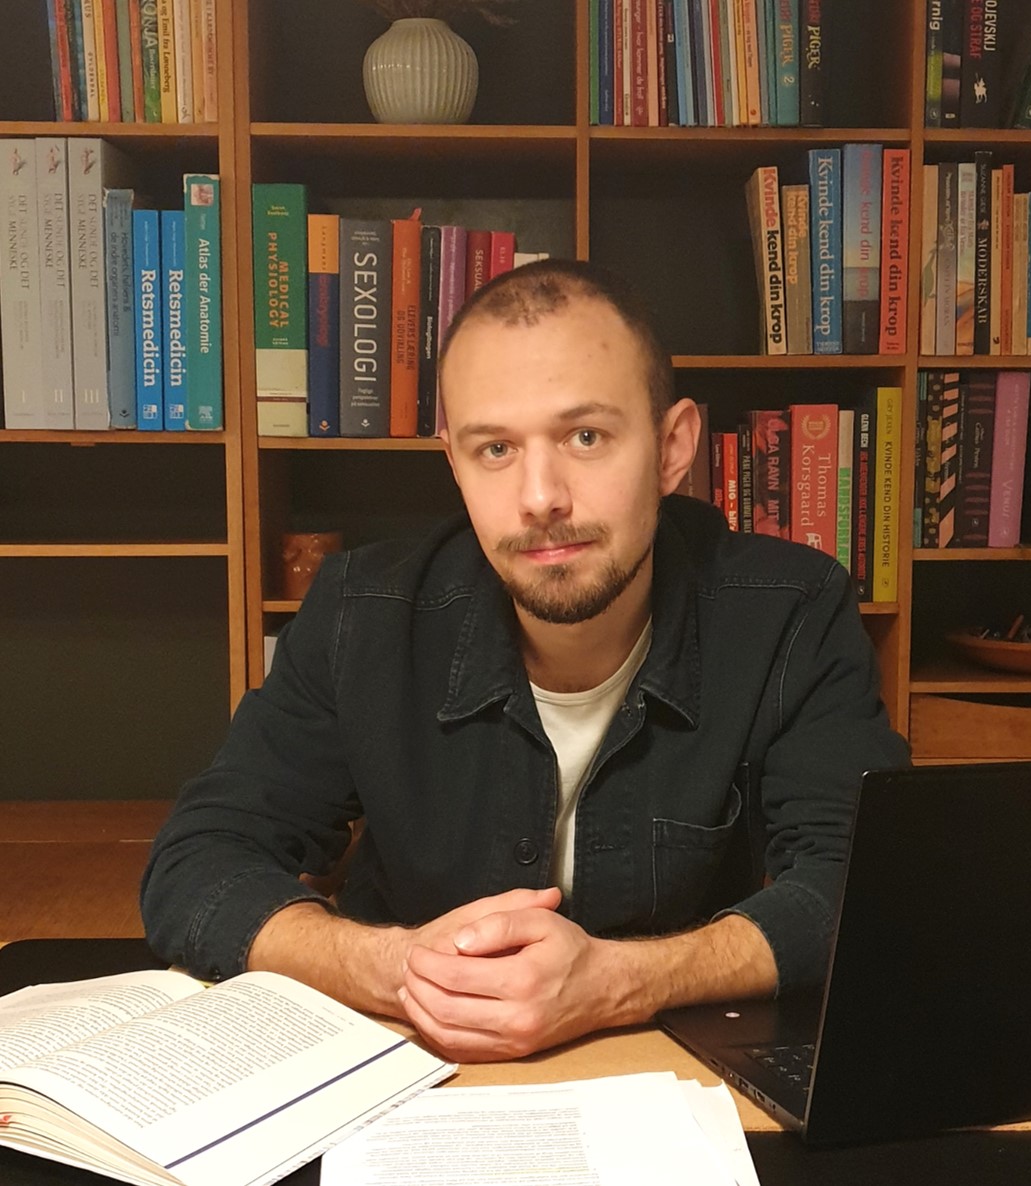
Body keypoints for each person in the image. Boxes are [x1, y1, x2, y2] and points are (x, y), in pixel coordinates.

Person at [140, 259, 909, 1062]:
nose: (540, 497)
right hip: (412, 1073)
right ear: (453, 462)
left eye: (585, 437)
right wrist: (396, 968)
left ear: (672, 446)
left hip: (670, 1079)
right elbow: (198, 861)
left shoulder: (790, 613)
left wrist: (622, 981)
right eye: (496, 448)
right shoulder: (358, 613)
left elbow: (860, 885)